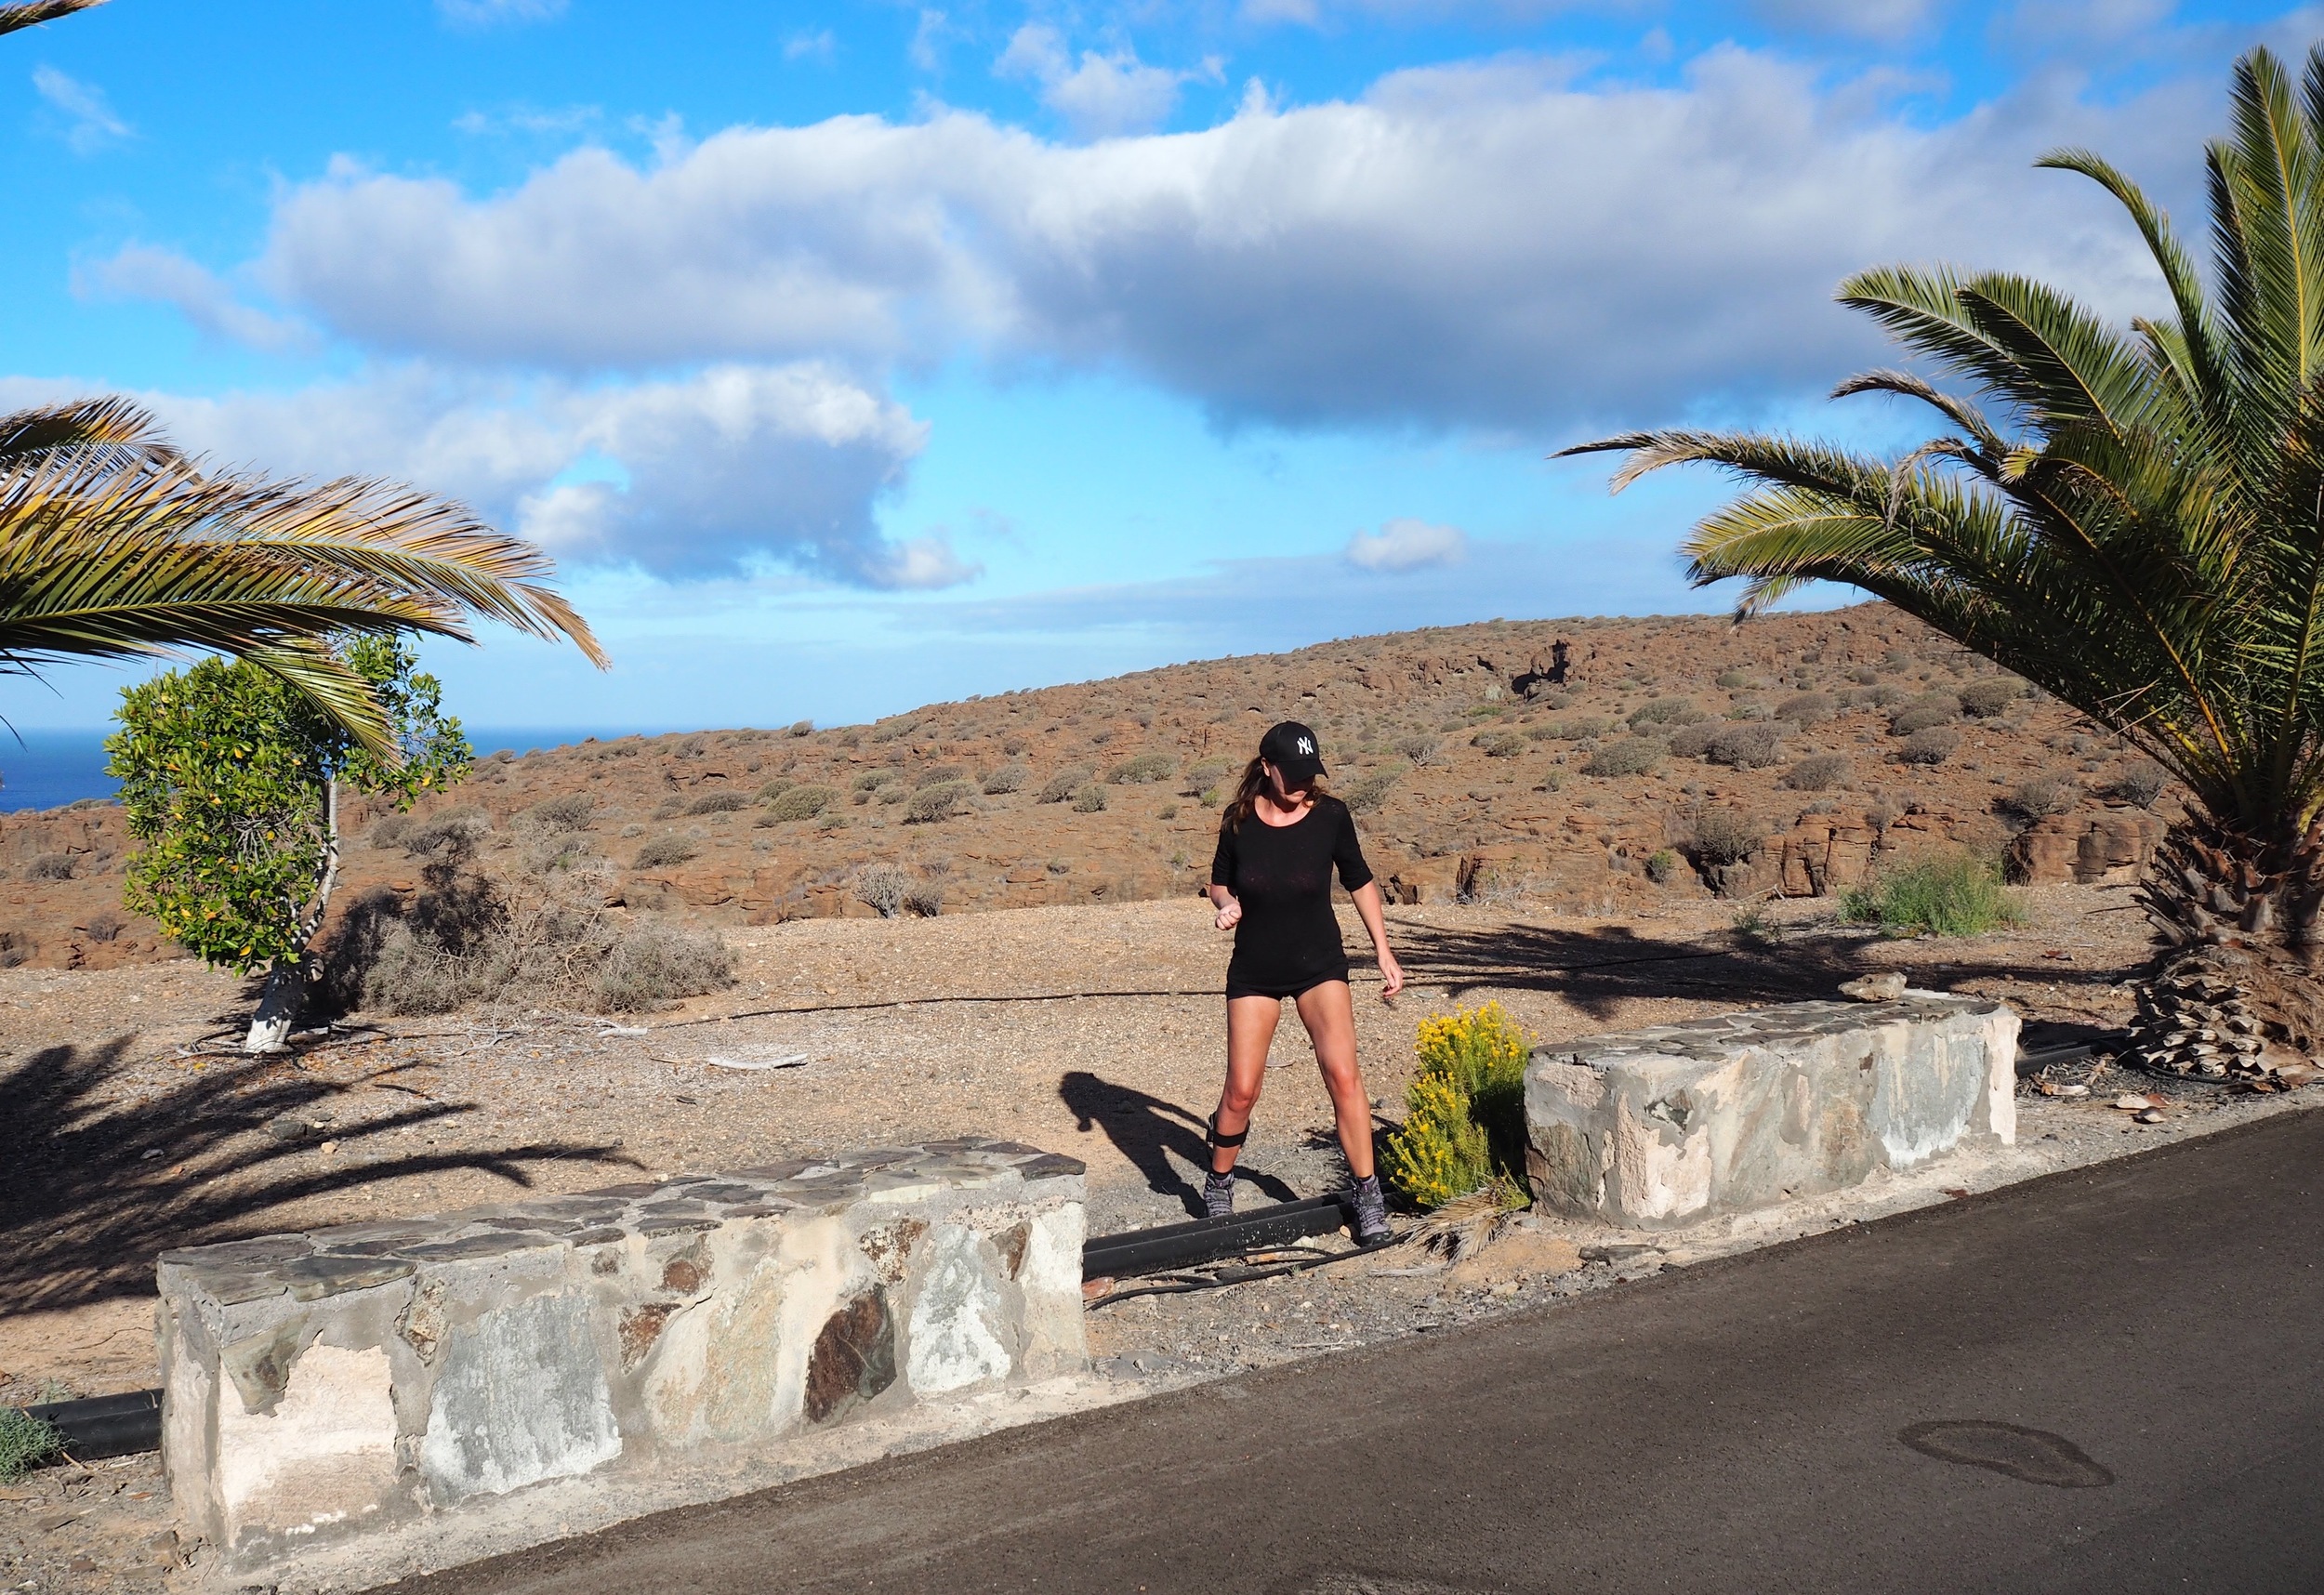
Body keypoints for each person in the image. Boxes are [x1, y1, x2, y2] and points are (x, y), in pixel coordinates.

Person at [1204, 720, 1405, 1246]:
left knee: (1343, 1075)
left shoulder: (1332, 816)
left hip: (1320, 964)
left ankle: (1368, 1196)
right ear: (1266, 768)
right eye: (1289, 775)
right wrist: (1225, 904)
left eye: (1307, 774)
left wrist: (1383, 951)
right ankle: (1220, 1180)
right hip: (1256, 969)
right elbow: (1218, 879)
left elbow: (1359, 879)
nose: (1299, 785)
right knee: (1242, 1090)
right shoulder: (1239, 821)